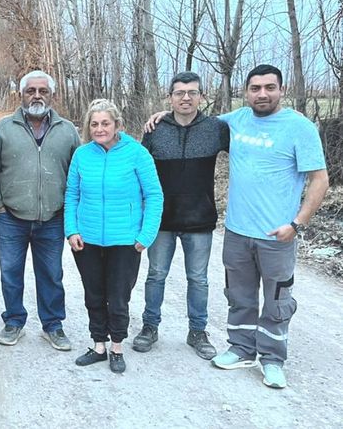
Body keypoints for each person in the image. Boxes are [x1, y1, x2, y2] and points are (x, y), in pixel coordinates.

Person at [209, 65, 328, 388]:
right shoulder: (235, 120)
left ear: (281, 89)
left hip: (278, 235)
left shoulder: (299, 127)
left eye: (269, 87)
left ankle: (273, 359)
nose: (262, 94)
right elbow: (194, 124)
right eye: (255, 88)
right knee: (239, 295)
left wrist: (297, 224)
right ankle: (242, 348)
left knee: (277, 301)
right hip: (236, 231)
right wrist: (165, 112)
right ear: (245, 91)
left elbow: (320, 180)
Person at [131, 72, 229, 360]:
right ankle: (150, 326)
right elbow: (139, 170)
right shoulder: (154, 129)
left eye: (192, 92)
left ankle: (197, 331)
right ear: (170, 97)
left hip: (200, 218)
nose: (186, 97)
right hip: (162, 219)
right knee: (156, 275)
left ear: (201, 96)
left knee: (198, 278)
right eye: (179, 93)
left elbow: (247, 142)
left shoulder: (216, 129)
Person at [0, 70, 79, 350]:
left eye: (43, 91)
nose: (37, 96)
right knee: (10, 272)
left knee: (51, 273)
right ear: (20, 95)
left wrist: (69, 211)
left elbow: (77, 172)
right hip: (11, 217)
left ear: (52, 95)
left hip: (52, 218)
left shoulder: (67, 131)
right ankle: (14, 321)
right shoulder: (3, 129)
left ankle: (53, 325)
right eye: (31, 91)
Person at [65, 99, 163, 374]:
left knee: (118, 296)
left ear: (117, 124)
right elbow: (71, 194)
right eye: (94, 124)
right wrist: (71, 230)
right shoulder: (82, 155)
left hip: (126, 240)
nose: (99, 129)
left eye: (105, 123)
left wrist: (146, 235)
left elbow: (153, 195)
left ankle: (117, 345)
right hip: (87, 239)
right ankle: (98, 345)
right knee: (93, 295)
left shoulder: (137, 154)